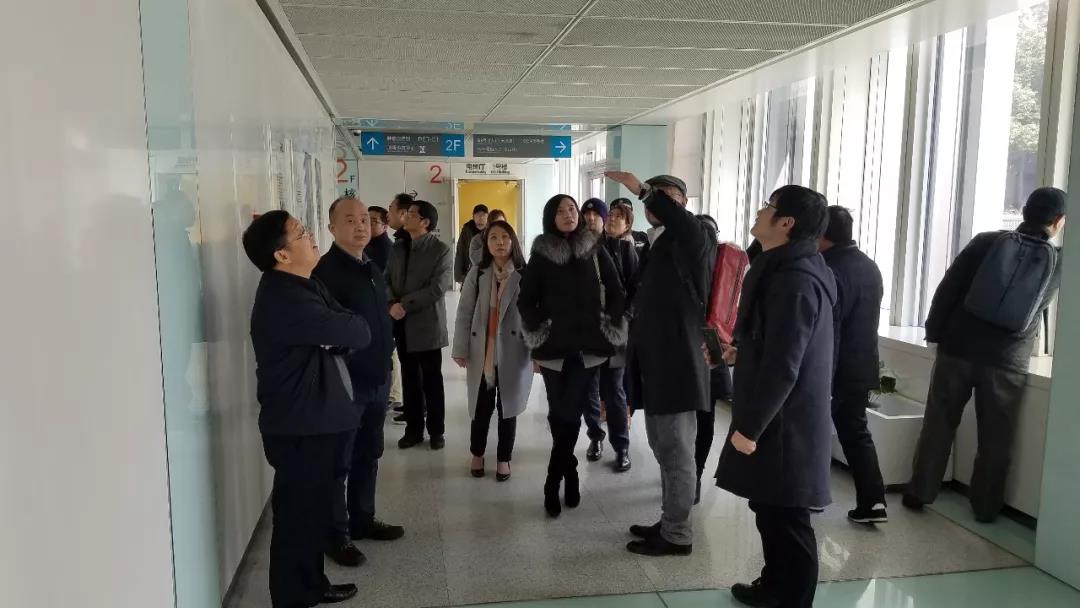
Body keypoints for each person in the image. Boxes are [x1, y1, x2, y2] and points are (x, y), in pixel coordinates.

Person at [905, 187, 1067, 522]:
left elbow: (948, 288)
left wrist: (935, 332)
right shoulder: (1059, 262)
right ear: (1059, 221)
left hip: (958, 348)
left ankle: (919, 492)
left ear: (1024, 210)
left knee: (939, 423)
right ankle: (986, 508)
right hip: (1008, 360)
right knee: (996, 436)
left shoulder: (986, 242)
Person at [714, 185, 835, 608]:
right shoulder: (784, 268)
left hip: (785, 422)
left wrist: (750, 428)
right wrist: (743, 352)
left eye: (768, 206)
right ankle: (773, 587)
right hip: (778, 415)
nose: (760, 211)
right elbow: (779, 344)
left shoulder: (795, 280)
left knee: (788, 517)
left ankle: (793, 600)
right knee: (768, 507)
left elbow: (786, 364)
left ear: (786, 222)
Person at [243, 210, 370, 607]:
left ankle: (311, 584)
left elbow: (351, 325)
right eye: (300, 232)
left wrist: (337, 333)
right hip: (301, 426)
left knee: (311, 512)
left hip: (316, 420)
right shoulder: (285, 298)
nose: (311, 236)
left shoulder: (305, 284)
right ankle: (293, 597)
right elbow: (356, 330)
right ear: (281, 254)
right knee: (298, 517)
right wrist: (338, 333)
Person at [605, 173, 716, 557]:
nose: (657, 203)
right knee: (664, 449)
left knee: (677, 452)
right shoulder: (659, 240)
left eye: (667, 196)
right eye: (655, 197)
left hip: (678, 363)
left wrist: (642, 189)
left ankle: (678, 534)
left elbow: (681, 221)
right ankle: (670, 520)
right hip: (656, 362)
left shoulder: (696, 234)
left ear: (683, 203)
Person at [518, 194, 627, 518]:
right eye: (560, 211)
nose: (568, 214)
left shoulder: (594, 249)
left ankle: (554, 480)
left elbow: (617, 290)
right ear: (550, 218)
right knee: (560, 413)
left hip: (587, 349)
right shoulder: (541, 254)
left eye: (572, 209)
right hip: (554, 350)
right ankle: (570, 470)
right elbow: (526, 300)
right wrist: (543, 326)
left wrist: (607, 320)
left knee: (569, 412)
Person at [312, 197, 405, 570]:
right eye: (349, 220)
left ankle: (363, 519)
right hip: (345, 383)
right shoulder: (326, 272)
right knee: (339, 461)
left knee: (369, 452)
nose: (361, 226)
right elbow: (325, 331)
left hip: (376, 377)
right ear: (332, 228)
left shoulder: (371, 266)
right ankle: (336, 537)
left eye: (365, 219)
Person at [820, 206, 888, 524]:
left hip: (834, 368)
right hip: (862, 365)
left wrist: (822, 375)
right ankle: (873, 502)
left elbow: (830, 329)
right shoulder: (869, 266)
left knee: (814, 430)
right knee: (856, 431)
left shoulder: (827, 269)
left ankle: (811, 494)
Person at [452, 221, 532, 482]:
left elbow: (535, 315)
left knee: (508, 409)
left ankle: (503, 459)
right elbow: (464, 312)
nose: (499, 242)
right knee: (481, 408)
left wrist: (537, 352)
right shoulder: (478, 273)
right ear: (486, 244)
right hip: (483, 352)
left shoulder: (525, 273)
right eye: (493, 238)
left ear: (513, 241)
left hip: (514, 352)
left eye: (505, 237)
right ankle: (477, 453)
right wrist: (460, 348)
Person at [387, 200, 454, 450]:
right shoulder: (398, 247)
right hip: (401, 323)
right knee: (409, 379)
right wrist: (391, 303)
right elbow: (385, 279)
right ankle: (413, 430)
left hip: (427, 325)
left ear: (425, 222)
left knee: (431, 381)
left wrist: (404, 304)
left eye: (412, 214)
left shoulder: (441, 250)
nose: (406, 216)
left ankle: (436, 431)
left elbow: (437, 288)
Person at [580, 198, 637, 472]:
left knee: (615, 391)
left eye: (597, 214)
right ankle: (595, 437)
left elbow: (636, 288)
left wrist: (624, 319)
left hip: (615, 332)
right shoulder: (577, 248)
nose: (591, 218)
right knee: (589, 390)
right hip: (587, 332)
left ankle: (621, 446)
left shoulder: (624, 249)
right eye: (587, 214)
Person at [692, 213, 735, 505]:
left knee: (701, 417)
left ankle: (693, 473)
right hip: (704, 343)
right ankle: (690, 473)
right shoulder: (721, 263)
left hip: (708, 344)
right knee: (700, 417)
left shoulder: (726, 264)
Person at [455, 204, 489, 284]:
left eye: (484, 215)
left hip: (487, 272)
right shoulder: (467, 230)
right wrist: (459, 276)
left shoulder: (491, 231)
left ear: (487, 217)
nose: (481, 217)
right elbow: (460, 252)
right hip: (469, 271)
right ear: (473, 216)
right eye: (478, 215)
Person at [364, 205, 393, 272]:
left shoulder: (385, 249)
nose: (368, 224)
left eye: (373, 221)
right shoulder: (368, 242)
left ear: (385, 227)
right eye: (366, 220)